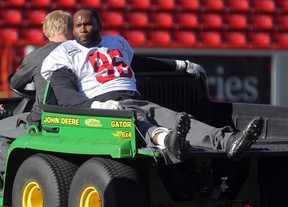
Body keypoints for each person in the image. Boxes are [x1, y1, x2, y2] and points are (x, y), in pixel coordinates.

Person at [41, 8, 264, 165]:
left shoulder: (116, 42)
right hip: (104, 108)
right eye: (78, 25)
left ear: (99, 24)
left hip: (134, 98)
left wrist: (179, 65)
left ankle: (229, 141)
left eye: (88, 24)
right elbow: (65, 95)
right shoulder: (64, 53)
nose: (83, 29)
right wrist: (98, 105)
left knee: (179, 119)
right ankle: (168, 141)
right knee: (138, 123)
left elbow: (139, 62)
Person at [0, 10, 73, 195]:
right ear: (71, 29)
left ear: (46, 32)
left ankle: (13, 178)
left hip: (45, 119)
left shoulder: (38, 56)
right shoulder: (83, 53)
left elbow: (16, 83)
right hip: (76, 116)